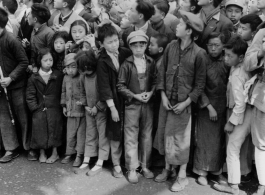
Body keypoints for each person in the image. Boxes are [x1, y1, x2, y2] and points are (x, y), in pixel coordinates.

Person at [154, 10, 207, 192]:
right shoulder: (170, 47)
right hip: (167, 101)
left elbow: (200, 85)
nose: (177, 26)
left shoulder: (199, 54)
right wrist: (162, 95)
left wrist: (186, 103)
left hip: (183, 105)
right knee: (165, 135)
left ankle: (182, 175)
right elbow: (161, 73)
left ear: (190, 30)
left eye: (181, 24)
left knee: (181, 140)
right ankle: (168, 168)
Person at [117, 30, 157, 184]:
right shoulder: (126, 64)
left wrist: (151, 92)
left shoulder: (151, 62)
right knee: (131, 137)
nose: (139, 48)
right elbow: (120, 86)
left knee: (146, 135)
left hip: (148, 105)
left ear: (146, 45)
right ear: (130, 47)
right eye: (135, 45)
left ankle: (145, 166)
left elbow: (155, 81)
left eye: (142, 45)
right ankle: (132, 167)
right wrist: (134, 95)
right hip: (132, 105)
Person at [212, 35, 250, 195]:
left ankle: (233, 186)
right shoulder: (239, 68)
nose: (226, 59)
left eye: (230, 56)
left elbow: (240, 103)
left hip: (240, 114)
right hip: (244, 113)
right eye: (225, 55)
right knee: (236, 148)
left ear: (240, 57)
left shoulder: (237, 75)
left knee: (233, 149)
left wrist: (231, 122)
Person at [193, 32, 230, 186]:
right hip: (206, 106)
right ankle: (201, 171)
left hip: (223, 105)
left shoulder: (227, 61)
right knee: (204, 139)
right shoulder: (203, 59)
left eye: (217, 45)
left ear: (223, 47)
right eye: (210, 45)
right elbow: (198, 86)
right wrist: (208, 107)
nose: (213, 48)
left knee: (219, 140)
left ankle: (217, 171)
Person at [97, 23, 131, 178]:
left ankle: (128, 161)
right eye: (109, 42)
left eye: (115, 40)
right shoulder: (102, 60)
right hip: (114, 100)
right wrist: (112, 108)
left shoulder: (125, 53)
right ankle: (116, 163)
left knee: (128, 130)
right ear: (102, 44)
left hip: (128, 97)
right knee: (115, 130)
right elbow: (104, 86)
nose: (114, 44)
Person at [0, 8, 29, 163]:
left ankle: (28, 147)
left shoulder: (11, 39)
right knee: (3, 117)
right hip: (1, 86)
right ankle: (10, 148)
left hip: (16, 84)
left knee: (22, 115)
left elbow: (24, 62)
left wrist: (11, 78)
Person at [75, 50, 110, 176]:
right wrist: (85, 106)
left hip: (101, 111)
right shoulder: (83, 77)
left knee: (102, 135)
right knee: (90, 134)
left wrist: (98, 107)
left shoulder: (99, 75)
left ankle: (100, 161)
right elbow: (82, 92)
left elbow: (105, 93)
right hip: (89, 111)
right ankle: (87, 159)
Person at [26, 48, 64, 164]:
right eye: (45, 60)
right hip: (39, 109)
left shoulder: (58, 75)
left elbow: (62, 91)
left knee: (55, 129)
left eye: (50, 60)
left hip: (54, 108)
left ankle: (55, 152)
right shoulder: (34, 77)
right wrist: (34, 108)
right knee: (39, 129)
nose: (48, 63)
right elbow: (30, 95)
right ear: (39, 61)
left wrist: (61, 105)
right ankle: (42, 152)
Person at [241, 27, 265, 195]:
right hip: (263, 99)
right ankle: (263, 184)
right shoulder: (263, 33)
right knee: (261, 144)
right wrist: (261, 53)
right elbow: (248, 63)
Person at [60, 53, 86, 167]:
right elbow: (63, 92)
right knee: (70, 133)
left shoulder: (82, 76)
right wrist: (64, 106)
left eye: (73, 67)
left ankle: (79, 155)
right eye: (68, 67)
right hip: (70, 110)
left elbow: (86, 92)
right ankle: (69, 153)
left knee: (81, 134)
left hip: (81, 111)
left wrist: (84, 102)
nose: (70, 70)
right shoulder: (65, 77)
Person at [149, 34, 169, 139]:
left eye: (152, 45)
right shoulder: (157, 60)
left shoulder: (160, 63)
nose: (148, 46)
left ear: (160, 49)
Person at [27, 3, 54, 71]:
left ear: (35, 19)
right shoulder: (33, 30)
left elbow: (50, 55)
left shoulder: (49, 33)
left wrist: (36, 66)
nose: (27, 16)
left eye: (29, 13)